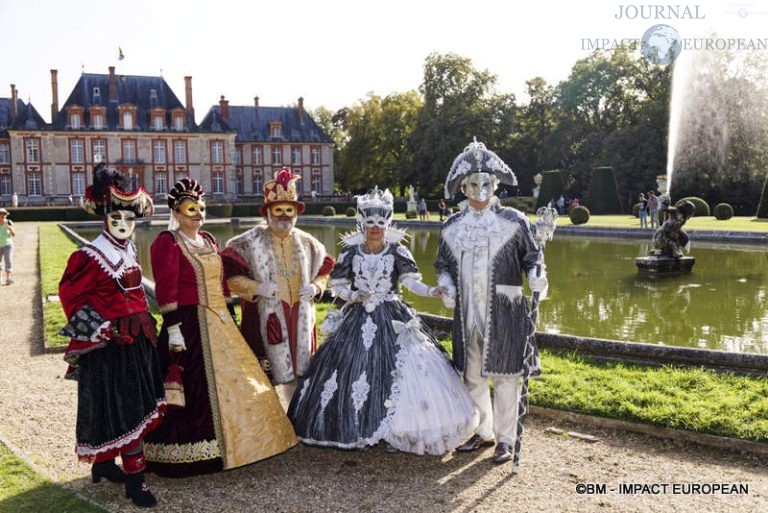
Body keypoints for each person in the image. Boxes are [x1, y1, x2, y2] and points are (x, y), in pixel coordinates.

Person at [288, 188, 477, 454]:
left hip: (392, 315)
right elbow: (338, 285)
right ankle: (360, 426)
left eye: (379, 223)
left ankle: (400, 429)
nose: (375, 228)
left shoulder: (397, 251)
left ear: (386, 224)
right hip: (357, 317)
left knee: (403, 369)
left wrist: (432, 291)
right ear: (362, 224)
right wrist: (353, 295)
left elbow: (410, 282)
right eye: (370, 223)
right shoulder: (350, 253)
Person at [144, 178, 297, 477]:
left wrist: (236, 305)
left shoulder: (211, 240)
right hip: (188, 324)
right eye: (190, 209)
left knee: (247, 381)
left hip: (221, 321)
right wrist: (173, 327)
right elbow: (166, 288)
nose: (198, 214)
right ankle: (195, 453)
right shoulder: (167, 243)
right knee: (192, 390)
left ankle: (251, 444)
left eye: (201, 208)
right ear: (175, 212)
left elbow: (222, 282)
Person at [435, 140, 548, 468]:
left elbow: (532, 258)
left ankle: (506, 439)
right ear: (462, 186)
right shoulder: (451, 227)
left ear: (496, 183)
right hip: (467, 311)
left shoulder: (514, 221)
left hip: (505, 310)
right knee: (472, 375)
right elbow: (442, 265)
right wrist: (445, 285)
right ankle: (482, 430)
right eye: (472, 183)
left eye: (486, 182)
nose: (479, 189)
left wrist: (538, 275)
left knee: (506, 376)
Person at [58, 163, 165, 508]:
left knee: (124, 407)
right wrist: (103, 328)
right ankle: (136, 483)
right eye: (117, 220)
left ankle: (104, 465)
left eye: (129, 221)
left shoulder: (128, 250)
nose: (123, 226)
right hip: (110, 346)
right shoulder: (89, 256)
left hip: (137, 340)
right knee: (127, 410)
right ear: (105, 218)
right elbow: (70, 299)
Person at [222, 167, 335, 409]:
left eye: (289, 210)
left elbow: (324, 272)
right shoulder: (247, 243)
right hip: (266, 317)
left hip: (301, 316)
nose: (284, 215)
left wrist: (316, 287)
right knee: (266, 376)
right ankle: (269, 419)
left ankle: (300, 411)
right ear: (268, 212)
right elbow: (231, 279)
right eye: (279, 210)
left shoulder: (309, 243)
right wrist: (258, 287)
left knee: (302, 372)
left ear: (296, 212)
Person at [0, 208, 15, 285]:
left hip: (8, 245)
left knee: (8, 261)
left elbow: (14, 234)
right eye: (1, 214)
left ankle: (8, 278)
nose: (2, 215)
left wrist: (10, 229)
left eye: (4, 214)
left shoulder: (9, 222)